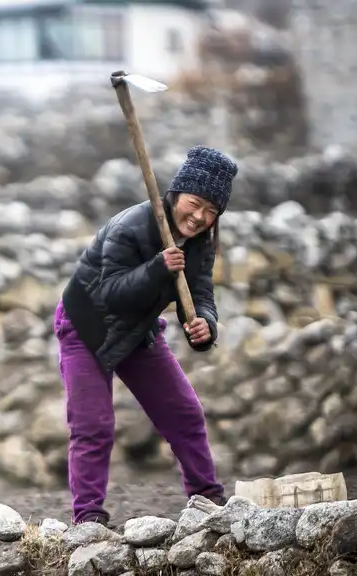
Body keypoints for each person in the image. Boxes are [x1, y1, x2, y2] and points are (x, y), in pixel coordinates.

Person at [55, 145, 237, 525]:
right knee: (94, 426)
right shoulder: (130, 226)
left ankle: (208, 501)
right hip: (86, 326)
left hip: (138, 330)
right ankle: (88, 518)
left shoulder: (201, 243)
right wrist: (158, 268)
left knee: (184, 413)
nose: (200, 217)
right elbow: (110, 295)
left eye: (212, 211)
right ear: (175, 194)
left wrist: (204, 325)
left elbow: (201, 293)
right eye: (195, 203)